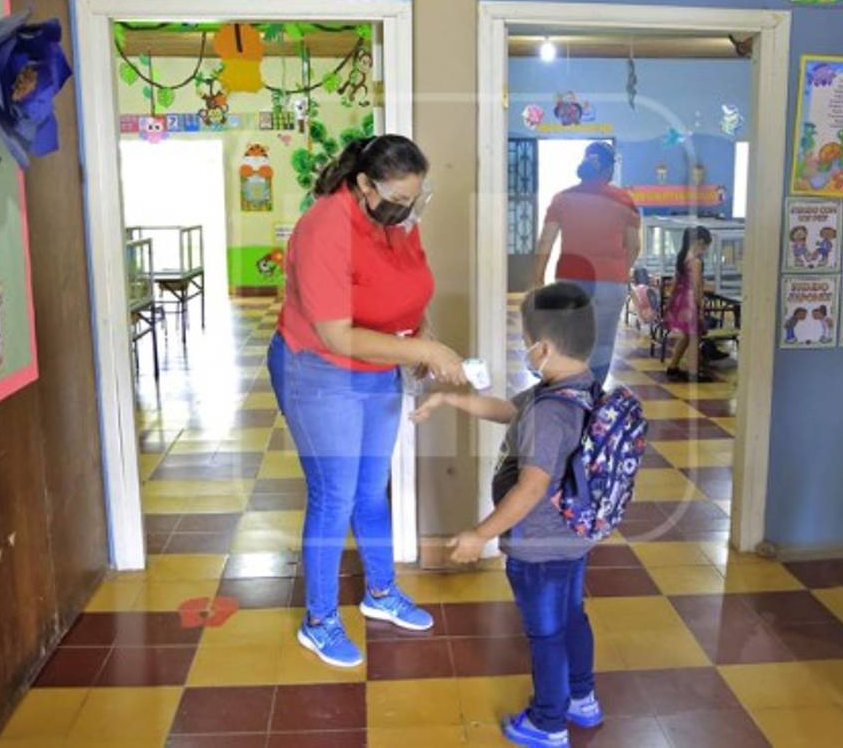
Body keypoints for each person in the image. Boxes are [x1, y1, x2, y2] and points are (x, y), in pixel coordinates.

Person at [268, 134, 468, 668]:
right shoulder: (324, 227)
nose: (408, 210)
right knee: (334, 495)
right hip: (318, 368)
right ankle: (319, 621)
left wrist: (418, 335)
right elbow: (336, 335)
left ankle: (380, 593)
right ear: (363, 184)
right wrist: (422, 348)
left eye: (415, 199)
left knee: (370, 490)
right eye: (399, 199)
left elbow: (412, 289)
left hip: (380, 365)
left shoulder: (398, 219)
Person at [413, 283, 602, 748]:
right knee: (572, 615)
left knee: (546, 633)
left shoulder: (549, 413)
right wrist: (448, 399)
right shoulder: (576, 390)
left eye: (525, 342)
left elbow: (531, 486)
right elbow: (506, 410)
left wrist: (481, 534)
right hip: (573, 535)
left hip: (538, 545)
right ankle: (583, 699)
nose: (524, 349)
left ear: (543, 347)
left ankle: (549, 722)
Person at [532, 142, 642, 387]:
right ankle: (592, 394)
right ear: (608, 169)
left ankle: (569, 392)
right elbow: (634, 246)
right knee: (602, 343)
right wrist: (621, 271)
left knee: (570, 341)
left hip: (572, 281)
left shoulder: (562, 199)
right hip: (611, 283)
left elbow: (545, 243)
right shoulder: (624, 200)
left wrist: (538, 279)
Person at [662, 226, 717, 381]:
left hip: (681, 301)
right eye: (706, 246)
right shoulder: (696, 261)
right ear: (699, 242)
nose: (705, 251)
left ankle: (673, 366)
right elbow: (697, 286)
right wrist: (700, 308)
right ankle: (693, 373)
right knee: (694, 337)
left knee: (687, 336)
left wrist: (669, 302)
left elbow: (675, 281)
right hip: (690, 302)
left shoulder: (683, 257)